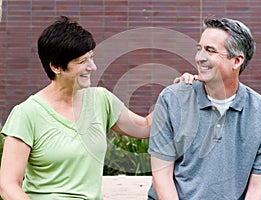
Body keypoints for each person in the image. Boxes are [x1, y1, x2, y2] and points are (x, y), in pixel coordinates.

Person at [0, 16, 158, 200]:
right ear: (56, 66)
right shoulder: (27, 114)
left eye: (91, 58)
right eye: (83, 62)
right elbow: (8, 185)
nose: (93, 67)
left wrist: (182, 92)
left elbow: (146, 127)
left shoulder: (101, 100)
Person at [147, 17, 261, 200]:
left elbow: (259, 187)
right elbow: (162, 176)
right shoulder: (172, 99)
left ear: (237, 61)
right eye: (199, 49)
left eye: (210, 50)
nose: (200, 58)